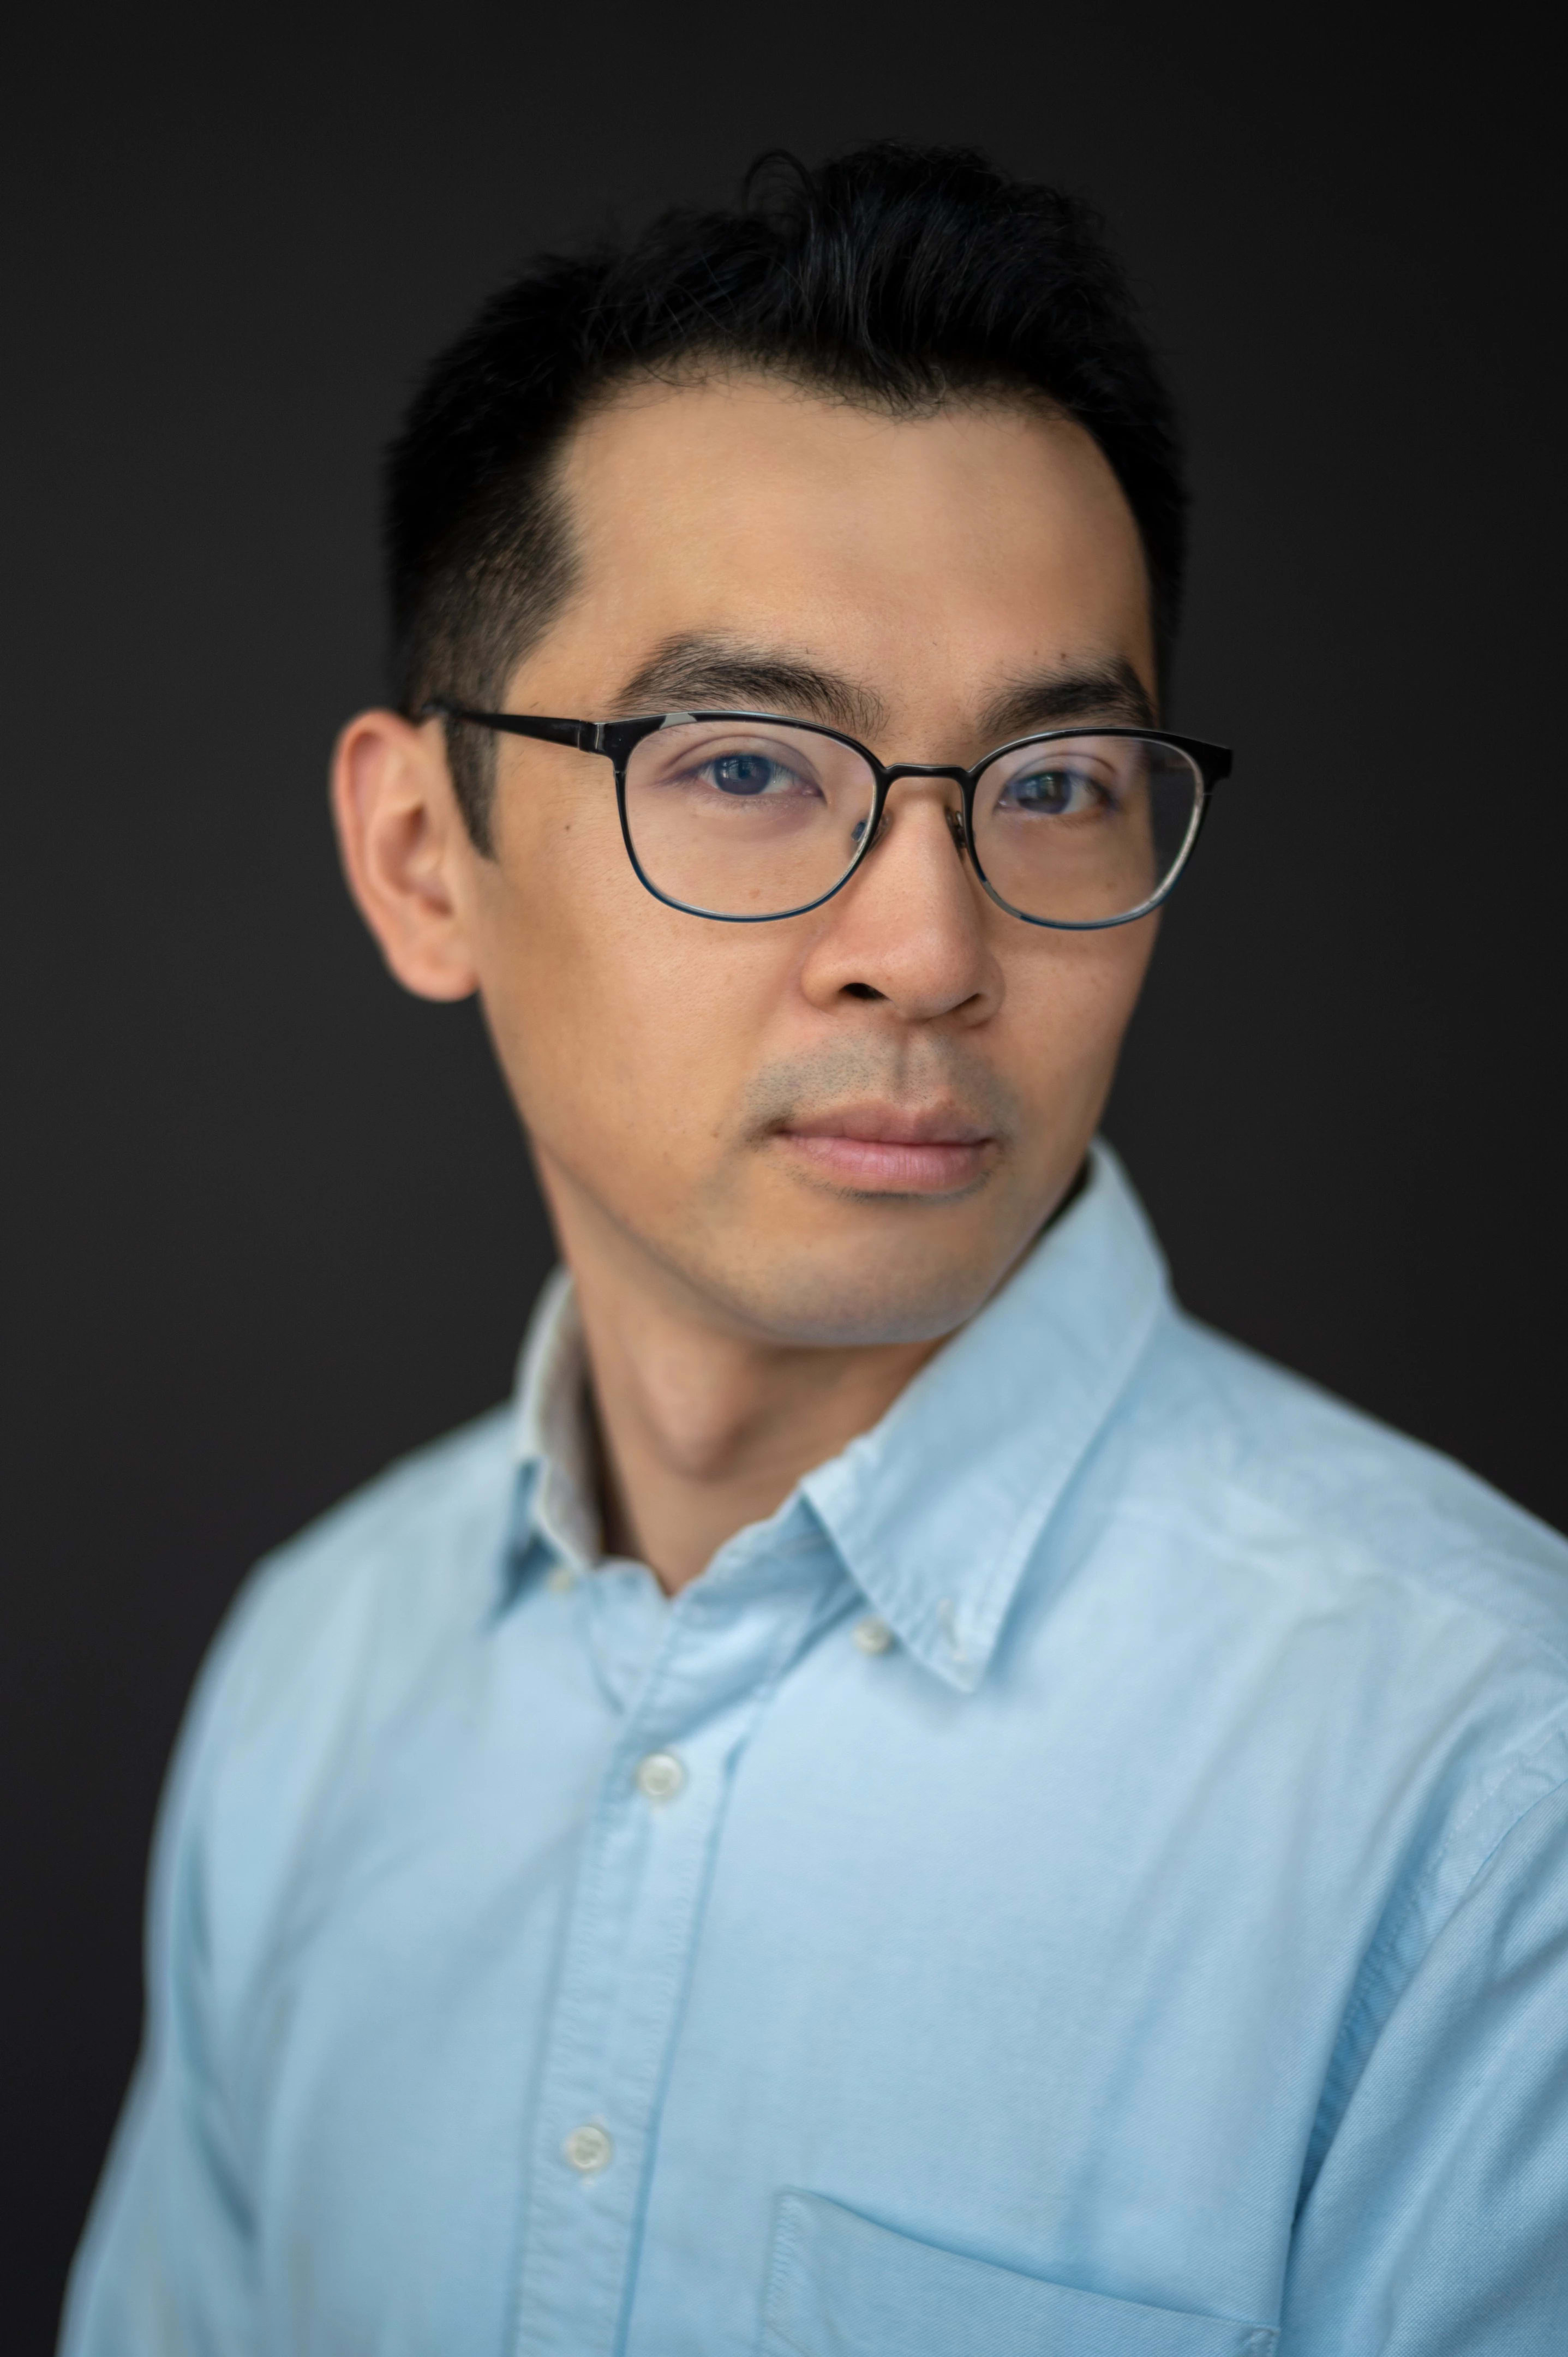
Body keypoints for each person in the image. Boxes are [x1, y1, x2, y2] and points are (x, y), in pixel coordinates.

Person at [62, 143, 1568, 2357]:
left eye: (1054, 786)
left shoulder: (1484, 1797)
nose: (929, 950)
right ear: (419, 857)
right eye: (752, 766)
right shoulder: (316, 1679)